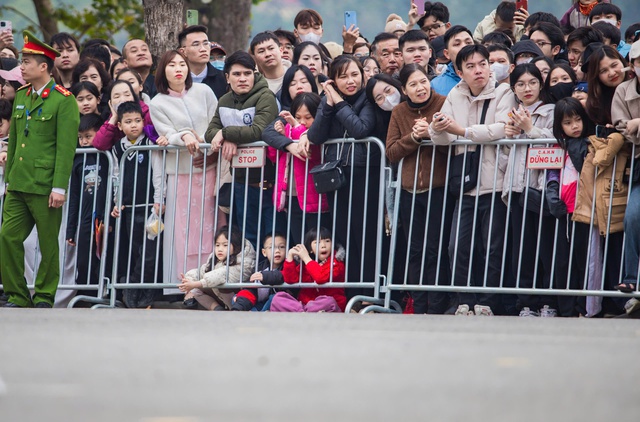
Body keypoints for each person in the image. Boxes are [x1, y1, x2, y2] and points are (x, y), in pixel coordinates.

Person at [429, 43, 517, 316]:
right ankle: (463, 300)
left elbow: (503, 129)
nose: (478, 70)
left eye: (482, 64)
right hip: (465, 183)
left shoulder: (503, 92)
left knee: (493, 246)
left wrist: (462, 130)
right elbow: (442, 137)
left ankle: (488, 301)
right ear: (459, 71)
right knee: (458, 246)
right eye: (470, 66)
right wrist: (437, 126)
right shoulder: (455, 94)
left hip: (495, 182)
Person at [0, 31, 79, 308]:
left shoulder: (63, 100)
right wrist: (9, 179)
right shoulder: (21, 96)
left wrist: (59, 186)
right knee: (7, 237)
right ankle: (17, 295)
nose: (21, 66)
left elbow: (66, 147)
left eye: (27, 61)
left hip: (45, 184)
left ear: (44, 66)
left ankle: (45, 295)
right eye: (22, 61)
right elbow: (17, 141)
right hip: (19, 183)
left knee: (47, 244)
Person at [148, 50, 223, 288]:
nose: (178, 68)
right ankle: (183, 285)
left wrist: (205, 143)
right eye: (172, 65)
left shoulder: (204, 92)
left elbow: (217, 121)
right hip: (180, 174)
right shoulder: (158, 102)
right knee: (183, 230)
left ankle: (212, 282)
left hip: (210, 169)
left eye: (182, 64)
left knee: (213, 225)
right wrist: (185, 136)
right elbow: (166, 134)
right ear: (163, 71)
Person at [306, 55, 378, 288]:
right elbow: (315, 136)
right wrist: (328, 104)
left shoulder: (368, 100)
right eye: (343, 76)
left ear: (363, 74)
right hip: (336, 180)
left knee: (364, 237)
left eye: (354, 74)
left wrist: (337, 102)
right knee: (346, 237)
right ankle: (351, 292)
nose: (350, 81)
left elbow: (360, 129)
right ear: (334, 80)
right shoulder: (327, 100)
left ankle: (367, 289)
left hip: (364, 176)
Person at [385, 63, 449, 314]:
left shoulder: (443, 103)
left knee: (435, 247)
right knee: (415, 249)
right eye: (413, 84)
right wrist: (413, 137)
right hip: (409, 191)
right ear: (404, 89)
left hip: (439, 188)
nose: (420, 87)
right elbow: (391, 151)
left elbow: (453, 144)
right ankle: (419, 303)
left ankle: (437, 303)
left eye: (423, 81)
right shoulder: (399, 112)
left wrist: (432, 133)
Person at [205, 51, 280, 249]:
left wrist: (227, 133)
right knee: (248, 238)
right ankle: (249, 279)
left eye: (248, 73)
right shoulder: (224, 101)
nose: (243, 78)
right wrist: (225, 135)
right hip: (240, 182)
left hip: (268, 181)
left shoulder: (266, 97)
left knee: (272, 239)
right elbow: (210, 132)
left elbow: (259, 131)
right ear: (227, 77)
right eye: (237, 74)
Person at [501, 63, 557, 317]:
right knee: (521, 249)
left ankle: (549, 302)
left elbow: (557, 142)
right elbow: (503, 156)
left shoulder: (551, 111)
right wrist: (510, 135)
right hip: (516, 186)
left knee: (545, 246)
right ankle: (526, 303)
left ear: (541, 84)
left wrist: (530, 130)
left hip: (542, 188)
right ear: (513, 88)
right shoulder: (510, 114)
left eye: (532, 82)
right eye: (520, 84)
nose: (527, 89)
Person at [109, 101, 163, 308]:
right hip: (129, 210)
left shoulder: (150, 142)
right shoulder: (117, 148)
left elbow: (158, 174)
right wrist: (116, 201)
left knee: (149, 253)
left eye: (138, 121)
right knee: (134, 251)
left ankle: (136, 287)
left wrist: (159, 200)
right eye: (128, 122)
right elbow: (116, 176)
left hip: (151, 208)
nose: (134, 125)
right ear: (120, 126)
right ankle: (134, 292)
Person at [544, 97, 593, 317]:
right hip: (563, 210)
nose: (574, 126)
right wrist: (552, 193)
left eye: (577, 120)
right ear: (559, 126)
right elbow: (552, 173)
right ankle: (566, 308)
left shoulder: (590, 143)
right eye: (567, 122)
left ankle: (583, 307)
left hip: (583, 209)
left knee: (583, 260)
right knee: (562, 261)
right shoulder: (558, 146)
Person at [269, 92, 329, 245]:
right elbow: (273, 156)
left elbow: (309, 153)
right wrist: (280, 138)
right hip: (292, 195)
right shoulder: (288, 129)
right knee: (298, 242)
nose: (302, 122)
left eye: (308, 118)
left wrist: (295, 127)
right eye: (298, 117)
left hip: (313, 197)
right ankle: (301, 269)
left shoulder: (318, 132)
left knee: (317, 243)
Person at [66, 113, 110, 288]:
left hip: (104, 217)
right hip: (84, 220)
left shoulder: (107, 157)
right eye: (80, 137)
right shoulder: (78, 160)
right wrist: (71, 229)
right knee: (84, 260)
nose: (83, 142)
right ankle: (85, 293)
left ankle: (104, 293)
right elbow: (74, 197)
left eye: (88, 136)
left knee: (105, 259)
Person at [612, 40, 640, 295]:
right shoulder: (623, 90)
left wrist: (639, 122)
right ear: (632, 65)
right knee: (632, 217)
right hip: (637, 165)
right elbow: (623, 128)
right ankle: (631, 277)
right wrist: (633, 127)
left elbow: (633, 127)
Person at [178, 225, 256, 311]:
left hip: (239, 298)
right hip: (220, 296)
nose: (220, 249)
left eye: (225, 245)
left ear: (236, 245)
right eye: (217, 245)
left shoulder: (245, 261)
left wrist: (194, 284)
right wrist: (188, 279)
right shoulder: (215, 258)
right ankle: (217, 309)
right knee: (195, 290)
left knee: (221, 285)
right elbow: (202, 271)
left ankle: (233, 309)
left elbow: (220, 275)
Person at [271, 227, 346, 312]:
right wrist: (290, 257)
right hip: (305, 305)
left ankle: (302, 312)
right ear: (310, 249)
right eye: (317, 242)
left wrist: (306, 258)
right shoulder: (305, 263)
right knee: (277, 298)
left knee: (329, 301)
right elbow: (290, 280)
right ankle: (303, 312)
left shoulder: (336, 263)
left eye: (327, 241)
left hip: (325, 304)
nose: (323, 245)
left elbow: (320, 278)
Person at [231, 231, 287, 311]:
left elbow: (283, 275)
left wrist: (264, 276)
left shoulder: (289, 265)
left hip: (277, 302)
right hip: (261, 302)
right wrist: (241, 300)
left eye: (282, 247)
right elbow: (252, 290)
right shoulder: (260, 267)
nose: (277, 250)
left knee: (275, 298)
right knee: (237, 298)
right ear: (264, 252)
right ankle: (251, 313)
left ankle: (259, 315)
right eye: (271, 247)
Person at [93, 80, 154, 150]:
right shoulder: (112, 122)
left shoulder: (147, 113)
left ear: (134, 97)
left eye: (127, 95)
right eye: (116, 96)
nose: (122, 100)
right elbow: (99, 144)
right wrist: (114, 118)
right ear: (110, 102)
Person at [584, 44, 630, 126]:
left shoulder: (636, 87)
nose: (612, 73)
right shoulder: (595, 104)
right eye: (603, 71)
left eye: (614, 65)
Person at [178, 25, 227, 99]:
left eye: (205, 43)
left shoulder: (223, 79)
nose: (203, 49)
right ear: (183, 51)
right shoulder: (175, 80)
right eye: (196, 44)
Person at [430, 25, 474, 96]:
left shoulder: (488, 78)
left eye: (468, 43)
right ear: (447, 54)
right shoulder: (435, 86)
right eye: (457, 44)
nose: (464, 46)